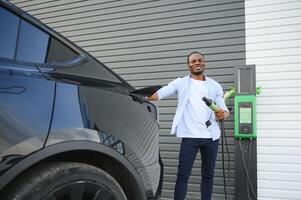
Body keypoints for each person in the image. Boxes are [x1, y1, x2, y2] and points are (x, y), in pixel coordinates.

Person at [146, 51, 229, 200]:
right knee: (183, 175)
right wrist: (146, 96)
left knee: (208, 176)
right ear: (188, 65)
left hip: (211, 137)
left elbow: (223, 109)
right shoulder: (181, 82)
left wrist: (223, 113)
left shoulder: (215, 85)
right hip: (190, 137)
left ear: (203, 63)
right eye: (193, 61)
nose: (197, 63)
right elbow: (162, 92)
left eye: (199, 60)